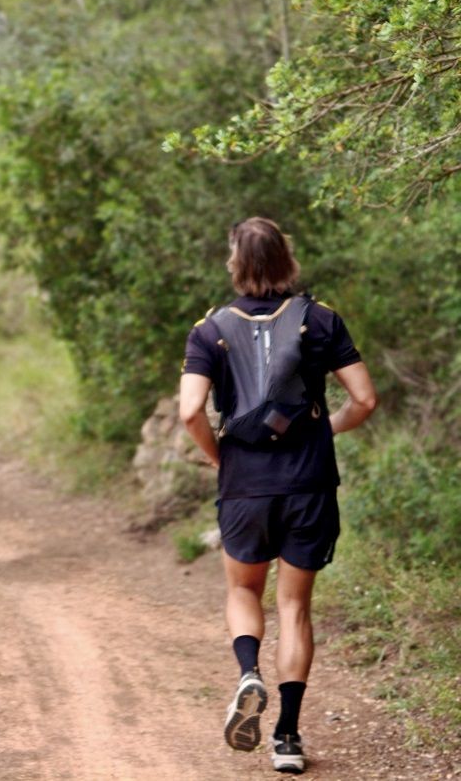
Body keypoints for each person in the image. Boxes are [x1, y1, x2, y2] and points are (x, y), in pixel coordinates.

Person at [179, 217, 378, 775]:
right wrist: (325, 429)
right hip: (308, 482)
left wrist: (219, 457)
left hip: (244, 484)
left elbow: (191, 411)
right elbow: (364, 399)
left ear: (235, 263)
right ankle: (287, 738)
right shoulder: (320, 319)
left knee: (244, 590)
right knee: (294, 606)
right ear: (286, 260)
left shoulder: (209, 329)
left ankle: (248, 673)